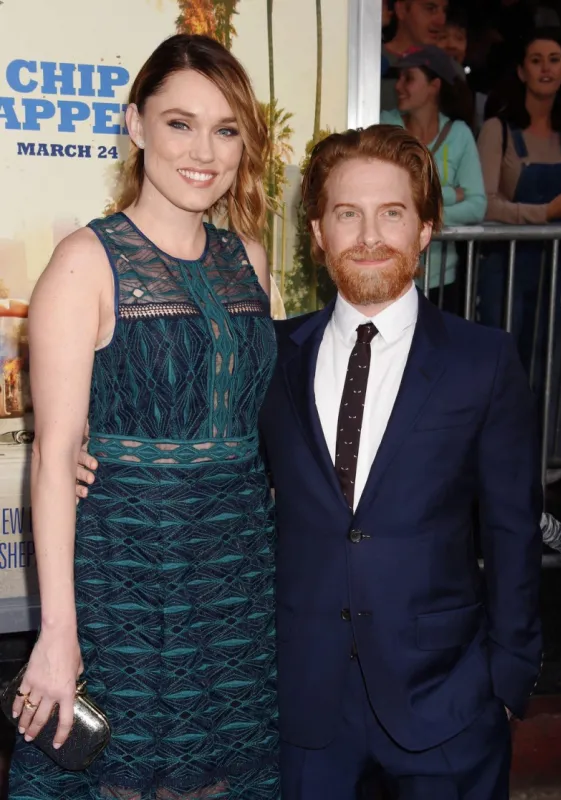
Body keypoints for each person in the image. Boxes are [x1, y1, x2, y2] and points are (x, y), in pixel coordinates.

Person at [78, 122, 544, 799]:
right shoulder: (271, 355)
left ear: (424, 229)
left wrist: (508, 676)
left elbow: (512, 530)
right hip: (303, 702)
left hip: (447, 699)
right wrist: (86, 452)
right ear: (318, 233)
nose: (369, 236)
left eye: (392, 213)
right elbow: (200, 458)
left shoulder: (483, 360)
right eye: (346, 215)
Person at [9, 34, 280, 800]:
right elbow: (55, 457)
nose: (205, 151)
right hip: (125, 574)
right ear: (135, 125)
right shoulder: (83, 263)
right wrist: (57, 634)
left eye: (226, 130)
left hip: (237, 573)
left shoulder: (249, 258)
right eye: (179, 123)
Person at [477, 27, 561, 484]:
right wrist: (545, 213)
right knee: (509, 363)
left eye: (554, 59)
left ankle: (546, 462)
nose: (547, 68)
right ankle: (501, 463)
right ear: (521, 70)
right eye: (536, 59)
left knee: (553, 359)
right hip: (509, 267)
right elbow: (485, 202)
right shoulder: (498, 128)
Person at [381, 45, 485, 311]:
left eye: (409, 78)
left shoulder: (459, 133)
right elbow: (384, 195)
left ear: (434, 86)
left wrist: (413, 218)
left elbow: (476, 205)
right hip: (390, 272)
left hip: (443, 280)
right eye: (399, 78)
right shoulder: (384, 126)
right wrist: (450, 194)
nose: (398, 86)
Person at [381, 0, 448, 110]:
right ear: (401, 9)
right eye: (430, 8)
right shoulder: (368, 61)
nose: (441, 20)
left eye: (444, 10)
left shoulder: (451, 72)